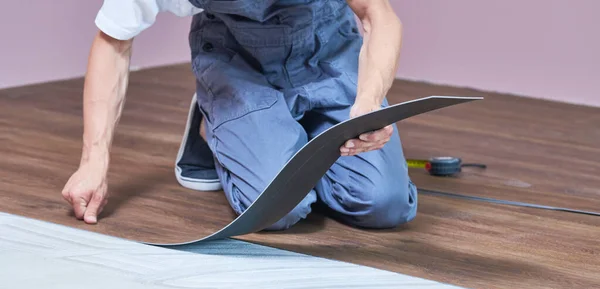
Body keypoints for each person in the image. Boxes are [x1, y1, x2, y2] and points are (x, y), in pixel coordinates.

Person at [62, 0, 418, 230]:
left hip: (324, 49)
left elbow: (379, 15)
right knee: (278, 208)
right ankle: (211, 124)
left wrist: (369, 103)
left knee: (382, 203)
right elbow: (113, 42)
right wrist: (93, 162)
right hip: (237, 61)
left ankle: (285, 130)